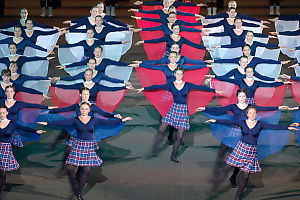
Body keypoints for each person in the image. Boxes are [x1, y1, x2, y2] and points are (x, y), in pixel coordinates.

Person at [37, 102, 132, 200]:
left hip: (88, 146)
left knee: (86, 170)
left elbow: (108, 122)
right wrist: (47, 123)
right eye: (82, 109)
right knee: (69, 168)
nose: (84, 111)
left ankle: (78, 193)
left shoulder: (93, 120)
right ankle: (74, 188)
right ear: (80, 109)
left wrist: (122, 119)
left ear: (89, 110)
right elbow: (62, 123)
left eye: (86, 109)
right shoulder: (75, 120)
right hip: (78, 145)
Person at [195, 89, 288, 187]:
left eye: (244, 96)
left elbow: (264, 108)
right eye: (240, 96)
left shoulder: (250, 107)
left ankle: (233, 177)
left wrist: (279, 107)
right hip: (233, 131)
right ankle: (218, 169)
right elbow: (219, 109)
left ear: (246, 97)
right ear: (237, 97)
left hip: (245, 133)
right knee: (224, 148)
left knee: (241, 157)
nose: (242, 98)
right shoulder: (233, 107)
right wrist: (205, 108)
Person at [206, 106, 298, 200]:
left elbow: (274, 126)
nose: (252, 115)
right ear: (247, 114)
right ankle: (216, 187)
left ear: (256, 114)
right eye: (250, 113)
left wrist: (288, 127)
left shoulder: (260, 124)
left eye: (254, 113)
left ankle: (237, 197)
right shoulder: (242, 122)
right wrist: (215, 121)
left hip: (251, 151)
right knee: (227, 168)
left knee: (245, 175)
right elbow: (229, 122)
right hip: (241, 149)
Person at [136, 67, 221, 163]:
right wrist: (143, 88)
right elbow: (157, 87)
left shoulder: (187, 85)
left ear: (183, 75)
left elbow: (201, 88)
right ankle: (154, 149)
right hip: (173, 109)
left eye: (181, 74)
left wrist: (214, 90)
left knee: (180, 136)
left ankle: (173, 155)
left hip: (183, 111)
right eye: (178, 74)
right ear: (175, 75)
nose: (179, 75)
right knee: (161, 129)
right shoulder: (170, 85)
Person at [0, 104, 45, 196]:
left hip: (5, 149)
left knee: (2, 173)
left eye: (3, 113)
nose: (2, 115)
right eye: (0, 113)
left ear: (7, 113)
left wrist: (35, 131)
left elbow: (23, 128)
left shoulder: (11, 123)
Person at [210, 66, 289, 105]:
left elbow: (269, 85)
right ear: (245, 73)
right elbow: (226, 79)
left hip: (252, 102)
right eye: (248, 72)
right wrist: (214, 77)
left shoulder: (257, 83)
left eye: (251, 72)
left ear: (253, 73)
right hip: (241, 101)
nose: (250, 73)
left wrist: (283, 83)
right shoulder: (240, 81)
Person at [49, 69, 133, 102]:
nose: (88, 76)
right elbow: (67, 87)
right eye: (86, 75)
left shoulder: (97, 86)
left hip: (93, 107)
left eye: (90, 75)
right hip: (81, 106)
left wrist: (124, 87)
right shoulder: (80, 85)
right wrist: (53, 86)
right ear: (84, 76)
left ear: (92, 75)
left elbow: (110, 88)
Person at [135, 23, 208, 53]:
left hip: (178, 57)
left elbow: (193, 45)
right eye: (175, 29)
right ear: (172, 30)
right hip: (167, 56)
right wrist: (143, 41)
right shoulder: (167, 37)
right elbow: (156, 41)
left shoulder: (182, 39)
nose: (177, 30)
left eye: (178, 29)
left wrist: (205, 48)